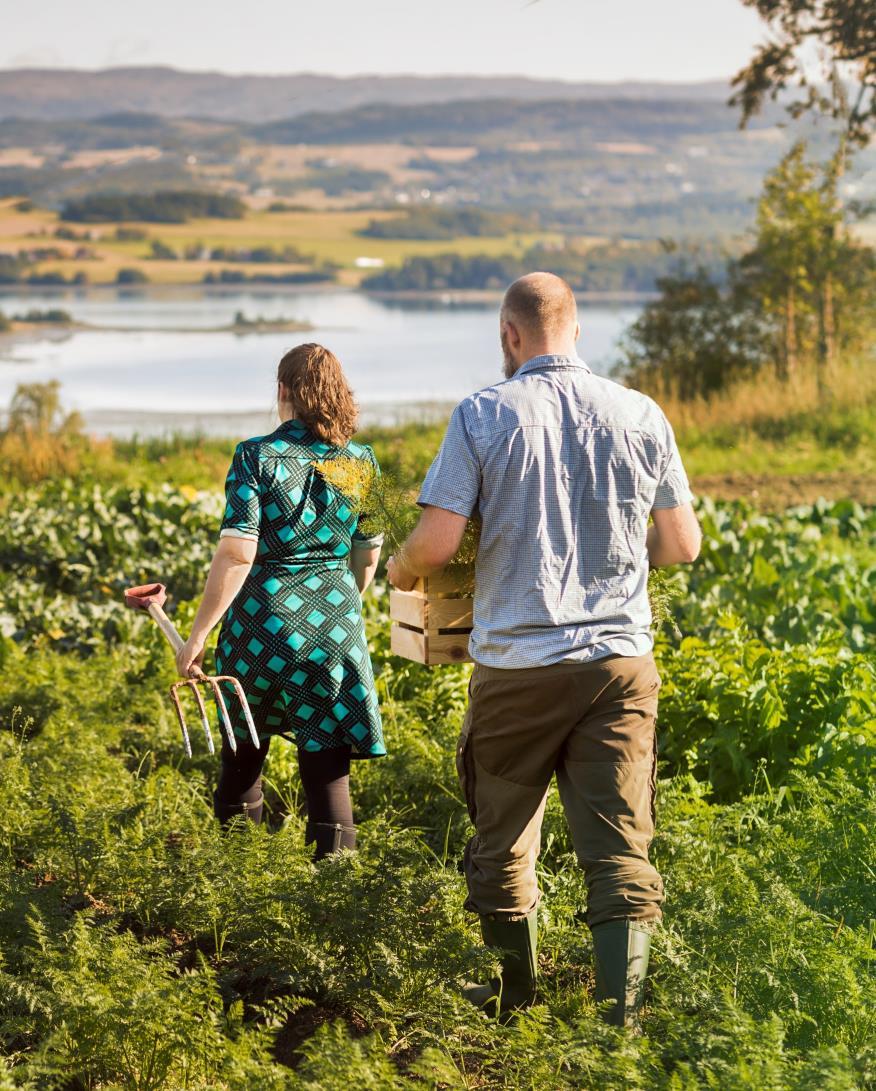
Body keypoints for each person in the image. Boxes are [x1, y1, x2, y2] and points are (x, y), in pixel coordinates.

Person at [387, 273, 701, 1026]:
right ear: (578, 330)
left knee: (502, 841)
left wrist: (398, 569)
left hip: (518, 669)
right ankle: (617, 1024)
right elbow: (682, 544)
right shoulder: (640, 413)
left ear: (509, 335)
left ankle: (516, 999)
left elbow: (435, 544)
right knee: (620, 848)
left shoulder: (482, 414)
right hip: (618, 668)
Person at [176, 343, 385, 859]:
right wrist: (343, 606)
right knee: (327, 769)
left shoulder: (256, 455)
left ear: (284, 391)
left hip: (260, 625)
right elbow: (370, 555)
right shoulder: (361, 461)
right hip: (334, 624)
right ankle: (336, 894)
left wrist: (197, 636)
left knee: (243, 755)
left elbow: (236, 555)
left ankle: (240, 874)